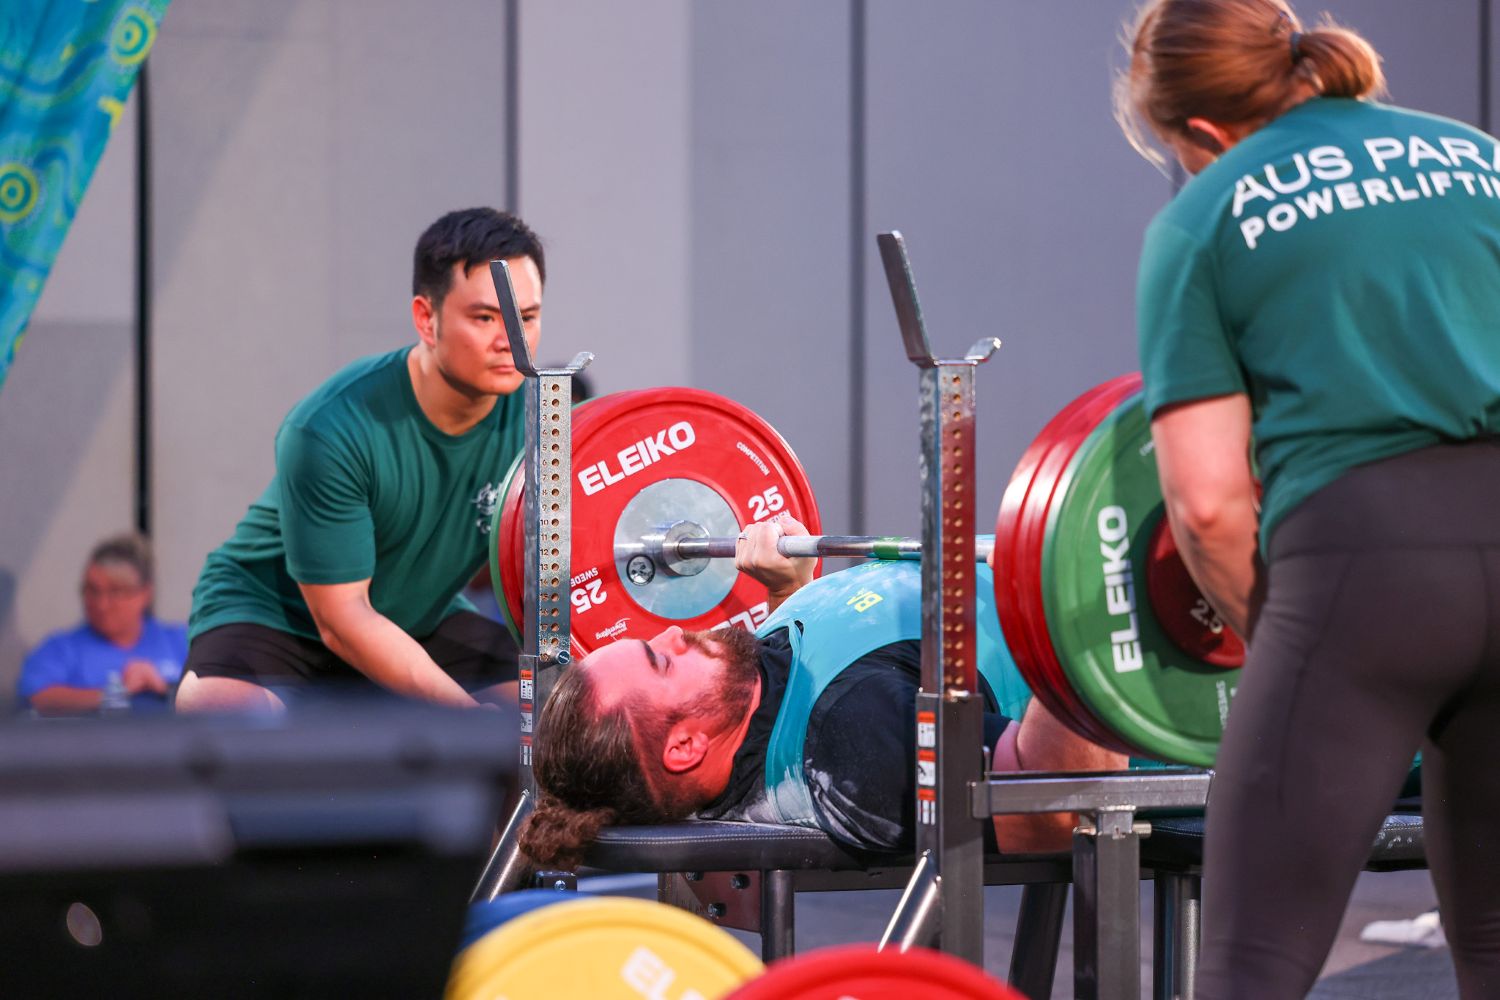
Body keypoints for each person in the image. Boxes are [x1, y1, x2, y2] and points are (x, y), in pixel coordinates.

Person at [1118, 2, 1500, 995]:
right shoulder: (1477, 157)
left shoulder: (1201, 219)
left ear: (1197, 130)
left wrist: (1289, 630)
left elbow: (1205, 503)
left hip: (1367, 564)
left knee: (1255, 962)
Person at [518, 515, 1124, 868]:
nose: (674, 631)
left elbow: (817, 689)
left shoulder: (754, 697)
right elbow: (1057, 812)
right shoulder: (850, 748)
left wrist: (794, 591)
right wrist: (1089, 598)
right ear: (684, 747)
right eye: (661, 661)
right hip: (1165, 670)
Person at [175, 208, 542, 713]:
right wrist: (467, 722)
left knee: (551, 711)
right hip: (278, 615)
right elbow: (342, 620)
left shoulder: (540, 422)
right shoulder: (329, 428)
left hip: (413, 618)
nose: (510, 342)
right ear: (426, 319)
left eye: (525, 318)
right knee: (221, 711)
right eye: (484, 318)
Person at [17, 534, 186, 716]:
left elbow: (215, 694)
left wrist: (165, 690)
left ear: (145, 593)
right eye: (92, 590)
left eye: (116, 591)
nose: (101, 605)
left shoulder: (181, 642)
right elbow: (35, 697)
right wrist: (115, 695)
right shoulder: (61, 649)